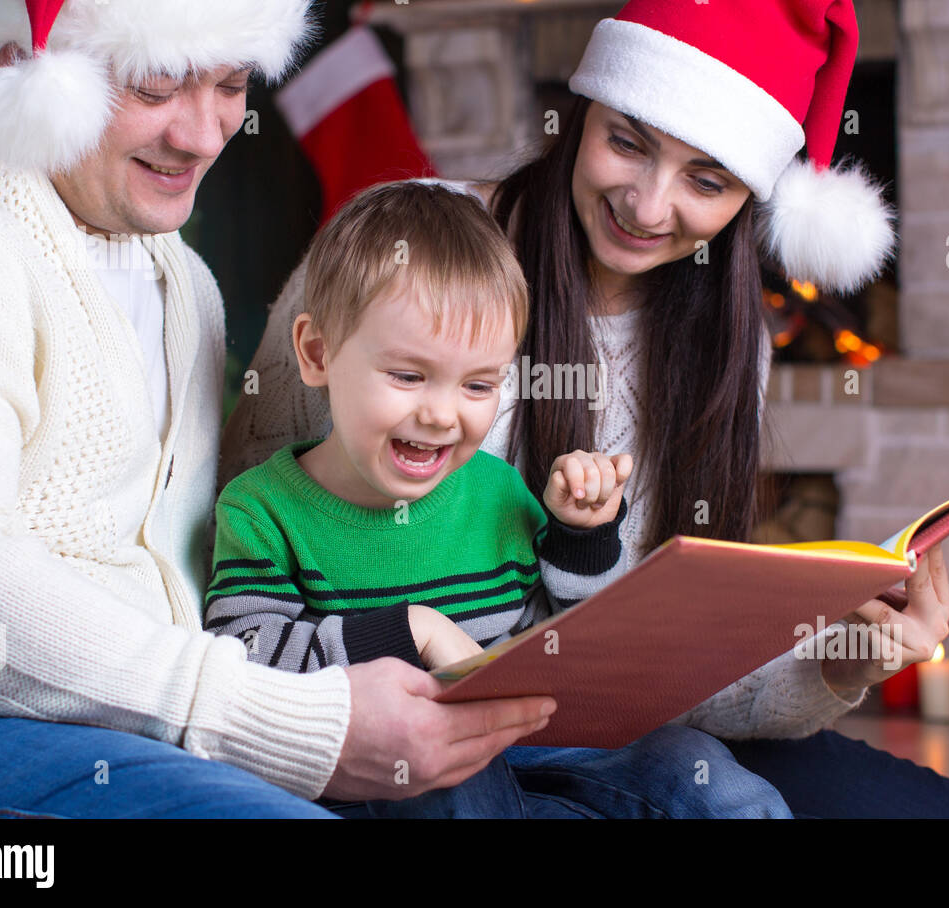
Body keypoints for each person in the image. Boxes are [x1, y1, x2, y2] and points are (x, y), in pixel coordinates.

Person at [221, 0, 949, 817]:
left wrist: (842, 654)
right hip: (388, 734)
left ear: (750, 199)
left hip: (606, 736)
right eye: (627, 142)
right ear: (580, 115)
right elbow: (242, 540)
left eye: (707, 179)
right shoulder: (408, 261)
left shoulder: (728, 345)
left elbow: (655, 677)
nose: (650, 208)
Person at [0, 0, 556, 819]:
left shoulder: (187, 284)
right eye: (158, 83)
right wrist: (269, 718)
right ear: (35, 67)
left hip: (163, 726)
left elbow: (256, 522)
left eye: (231, 83)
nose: (205, 134)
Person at [207, 178, 793, 818]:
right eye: (407, 376)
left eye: (478, 386)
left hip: (529, 743)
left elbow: (560, 634)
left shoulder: (495, 489)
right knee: (445, 780)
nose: (440, 415)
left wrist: (581, 535)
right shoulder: (262, 510)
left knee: (694, 771)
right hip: (393, 760)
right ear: (317, 353)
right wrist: (410, 631)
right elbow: (247, 662)